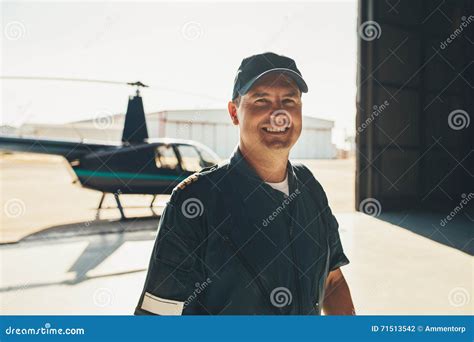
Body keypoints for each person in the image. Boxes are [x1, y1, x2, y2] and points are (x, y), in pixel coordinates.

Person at [134, 52, 355, 315]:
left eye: (289, 100)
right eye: (261, 100)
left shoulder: (310, 188)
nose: (279, 115)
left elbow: (333, 280)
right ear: (234, 112)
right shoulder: (195, 201)